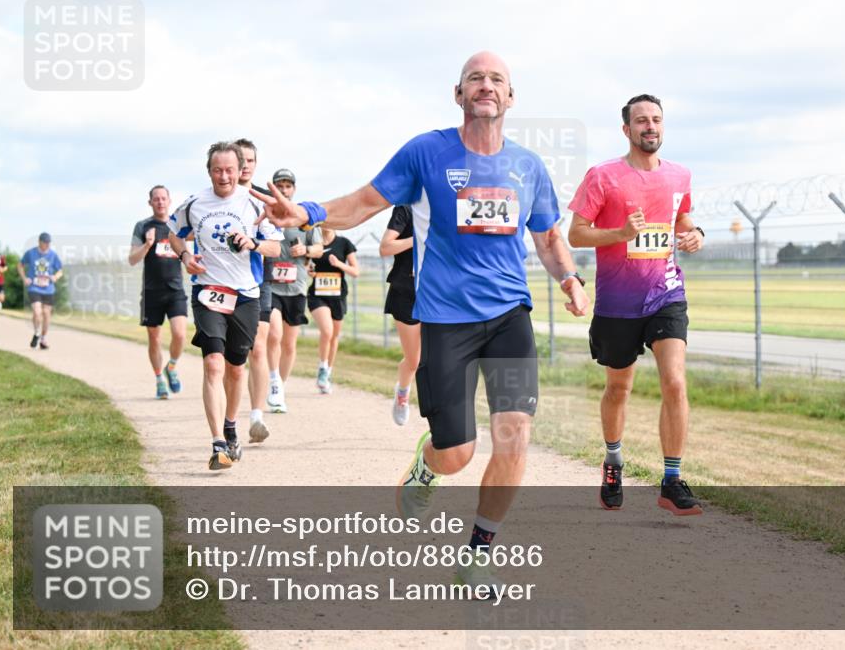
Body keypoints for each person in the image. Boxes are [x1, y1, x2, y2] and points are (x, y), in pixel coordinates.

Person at [253, 51, 590, 589]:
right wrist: (308, 212)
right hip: (445, 319)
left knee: (515, 434)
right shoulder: (426, 152)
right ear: (458, 94)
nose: (486, 86)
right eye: (474, 78)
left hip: (509, 316)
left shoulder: (528, 166)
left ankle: (479, 550)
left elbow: (548, 237)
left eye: (496, 79)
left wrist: (570, 279)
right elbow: (366, 201)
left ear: (510, 96)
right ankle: (428, 463)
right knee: (457, 453)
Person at [568, 94, 705, 515]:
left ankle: (672, 479)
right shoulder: (603, 177)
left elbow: (681, 221)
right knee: (618, 388)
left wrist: (695, 233)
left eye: (657, 120)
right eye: (641, 120)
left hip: (666, 295)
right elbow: (575, 234)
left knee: (675, 382)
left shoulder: (680, 176)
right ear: (626, 130)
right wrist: (619, 234)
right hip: (617, 303)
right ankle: (613, 462)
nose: (651, 126)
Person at [169, 141, 282, 470]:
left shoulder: (253, 203)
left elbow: (276, 247)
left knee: (235, 368)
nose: (224, 176)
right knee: (214, 365)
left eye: (230, 169)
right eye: (217, 170)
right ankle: (218, 441)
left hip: (246, 293)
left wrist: (255, 242)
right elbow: (175, 234)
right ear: (209, 171)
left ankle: (231, 426)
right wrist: (186, 256)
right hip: (208, 292)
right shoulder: (194, 203)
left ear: (240, 171)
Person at [265, 168, 323, 412]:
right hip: (271, 286)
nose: (285, 190)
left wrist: (306, 251)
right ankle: (273, 381)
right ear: (275, 189)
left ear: (294, 189)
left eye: (288, 186)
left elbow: (319, 248)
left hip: (297, 287)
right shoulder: (267, 214)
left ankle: (281, 386)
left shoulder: (304, 218)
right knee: (274, 334)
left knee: (289, 344)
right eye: (281, 185)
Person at [128, 185, 188, 399]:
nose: (160, 202)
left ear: (169, 201)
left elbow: (188, 250)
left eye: (164, 198)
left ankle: (171, 366)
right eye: (156, 199)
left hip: (176, 290)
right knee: (154, 338)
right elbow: (132, 259)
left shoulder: (177, 225)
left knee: (180, 334)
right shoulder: (143, 226)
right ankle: (158, 379)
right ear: (150, 203)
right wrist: (147, 245)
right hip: (152, 292)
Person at [235, 138, 274, 442]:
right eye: (241, 159)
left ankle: (257, 417)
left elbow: (276, 245)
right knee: (229, 358)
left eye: (250, 160)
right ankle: (228, 420)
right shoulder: (215, 200)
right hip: (222, 285)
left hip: (258, 283)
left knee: (258, 347)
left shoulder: (263, 201)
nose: (245, 165)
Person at [379, 205, 419, 425]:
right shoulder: (406, 208)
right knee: (414, 360)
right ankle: (402, 391)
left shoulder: (450, 206)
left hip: (439, 292)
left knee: (438, 360)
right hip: (406, 291)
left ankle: (442, 421)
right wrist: (418, 238)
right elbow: (385, 247)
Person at [307, 227, 358, 394]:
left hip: (337, 295)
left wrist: (339, 264)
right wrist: (310, 271)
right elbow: (306, 264)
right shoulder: (315, 244)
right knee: (327, 331)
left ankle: (328, 372)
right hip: (317, 295)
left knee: (334, 335)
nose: (328, 225)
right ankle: (322, 367)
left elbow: (355, 271)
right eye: (324, 222)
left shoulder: (344, 244)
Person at [19, 232, 63, 349]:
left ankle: (43, 338)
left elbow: (60, 270)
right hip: (34, 287)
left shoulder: (53, 255)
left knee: (46, 314)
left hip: (48, 289)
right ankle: (37, 332)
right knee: (37, 312)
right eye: (45, 243)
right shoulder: (31, 253)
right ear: (39, 242)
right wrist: (24, 278)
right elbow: (20, 265)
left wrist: (55, 277)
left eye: (49, 243)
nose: (47, 245)